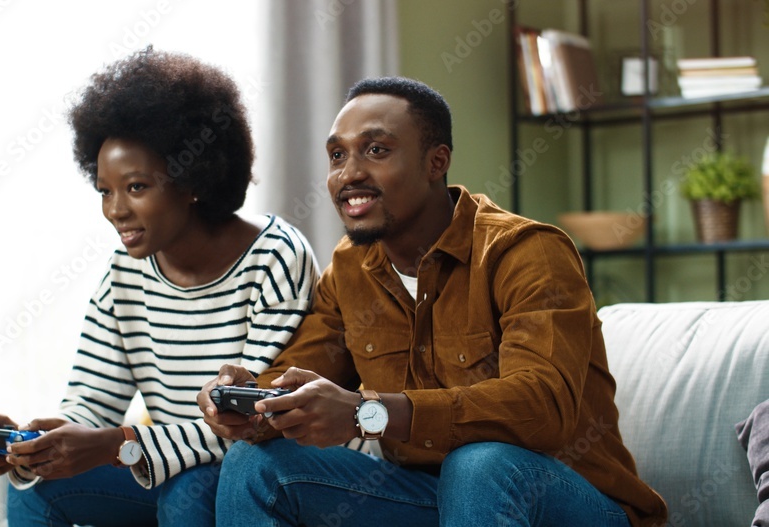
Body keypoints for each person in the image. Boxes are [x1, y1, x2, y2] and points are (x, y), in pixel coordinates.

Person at [198, 76, 668, 526]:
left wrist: (367, 412)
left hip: (569, 504)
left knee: (480, 465)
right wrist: (256, 404)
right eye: (337, 155)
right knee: (256, 464)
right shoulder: (349, 269)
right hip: (435, 499)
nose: (349, 173)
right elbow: (301, 372)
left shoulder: (527, 253)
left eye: (376, 150)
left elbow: (542, 408)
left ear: (435, 162)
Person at [0, 47, 318, 527]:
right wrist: (35, 444)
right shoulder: (124, 272)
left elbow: (256, 420)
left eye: (137, 187)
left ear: (191, 179)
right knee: (39, 490)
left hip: (258, 474)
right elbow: (91, 402)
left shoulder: (276, 256)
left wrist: (116, 443)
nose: (115, 210)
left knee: (189, 491)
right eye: (105, 190)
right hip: (166, 465)